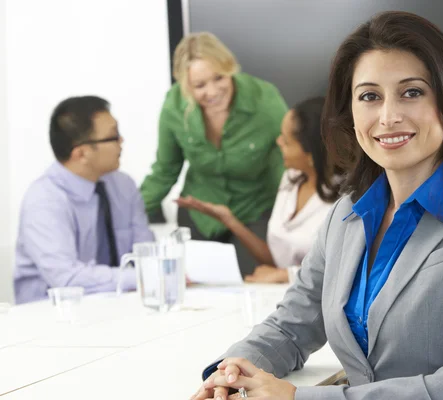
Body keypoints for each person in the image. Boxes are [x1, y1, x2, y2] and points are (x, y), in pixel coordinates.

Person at [190, 11, 443, 400]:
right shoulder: (346, 214)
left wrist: (298, 398)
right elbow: (289, 327)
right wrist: (230, 373)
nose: (388, 117)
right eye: (369, 96)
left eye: (412, 92)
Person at [140, 32, 288, 277]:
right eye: (199, 85)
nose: (212, 91)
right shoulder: (174, 106)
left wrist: (295, 220)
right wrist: (126, 218)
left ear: (230, 68)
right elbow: (164, 170)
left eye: (219, 78)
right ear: (185, 85)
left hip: (254, 212)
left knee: (251, 286)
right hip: (200, 214)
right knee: (197, 290)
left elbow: (289, 162)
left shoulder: (264, 100)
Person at [176, 97, 340, 283]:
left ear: (312, 154)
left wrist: (285, 275)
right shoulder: (291, 179)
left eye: (286, 141)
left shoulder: (348, 198)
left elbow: (342, 270)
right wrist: (230, 220)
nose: (278, 142)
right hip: (285, 296)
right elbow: (276, 259)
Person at [13, 96, 155, 304]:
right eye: (113, 136)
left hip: (120, 306)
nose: (121, 142)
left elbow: (148, 254)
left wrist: (152, 273)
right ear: (81, 153)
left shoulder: (124, 186)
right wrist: (143, 277)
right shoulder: (44, 199)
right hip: (52, 316)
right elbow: (67, 278)